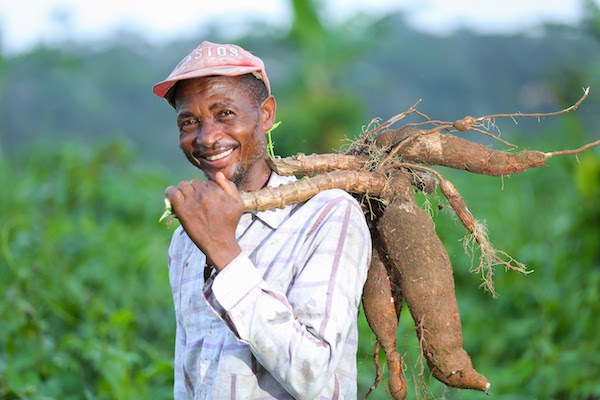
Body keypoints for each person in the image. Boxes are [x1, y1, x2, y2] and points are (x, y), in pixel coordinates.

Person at [153, 41, 371, 399]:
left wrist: (223, 252)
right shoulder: (185, 238)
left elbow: (311, 373)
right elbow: (191, 373)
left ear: (266, 114)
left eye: (224, 114)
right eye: (189, 122)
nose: (207, 137)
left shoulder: (328, 214)